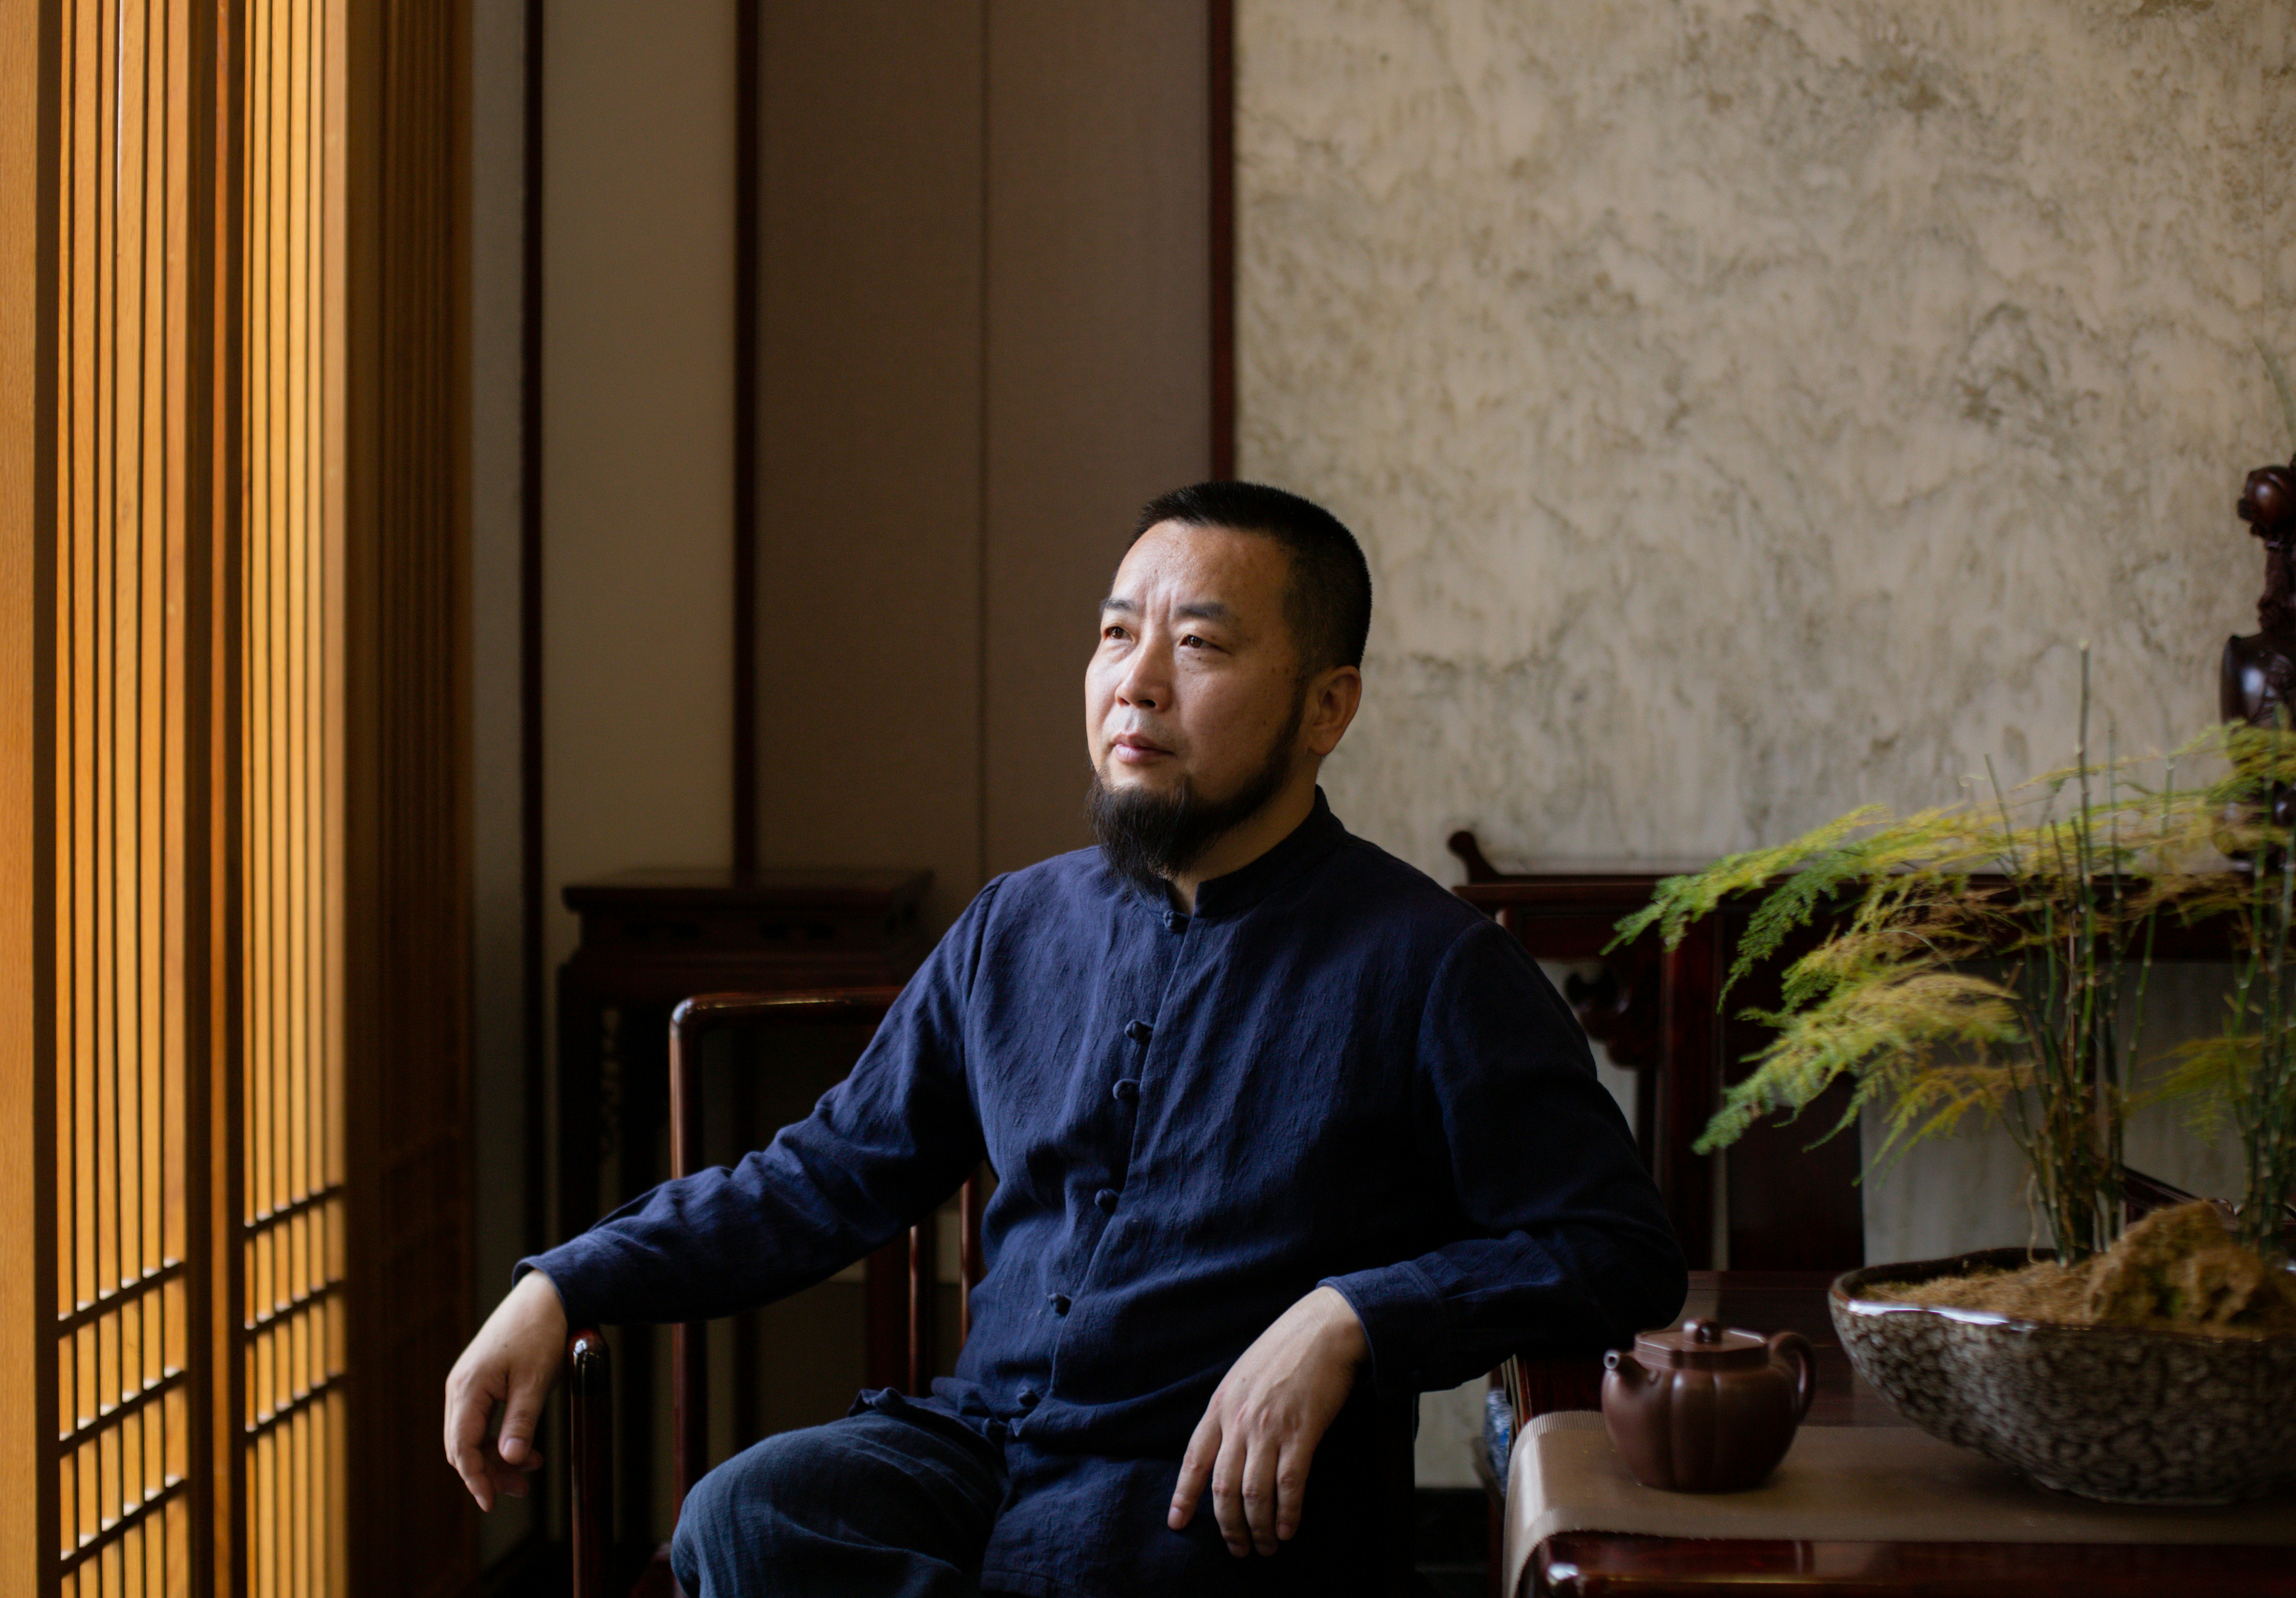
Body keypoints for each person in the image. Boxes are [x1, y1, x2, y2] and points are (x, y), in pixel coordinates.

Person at [443, 482, 1686, 1597]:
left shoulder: (1432, 964)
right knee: (752, 1516)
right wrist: (568, 1278)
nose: (1135, 680)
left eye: (1196, 644)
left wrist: (1351, 1314)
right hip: (980, 1442)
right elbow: (825, 1174)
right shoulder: (1016, 925)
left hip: (1204, 1486)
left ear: (1327, 707)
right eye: (1113, 634)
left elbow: (1616, 1246)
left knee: (1109, 1564)